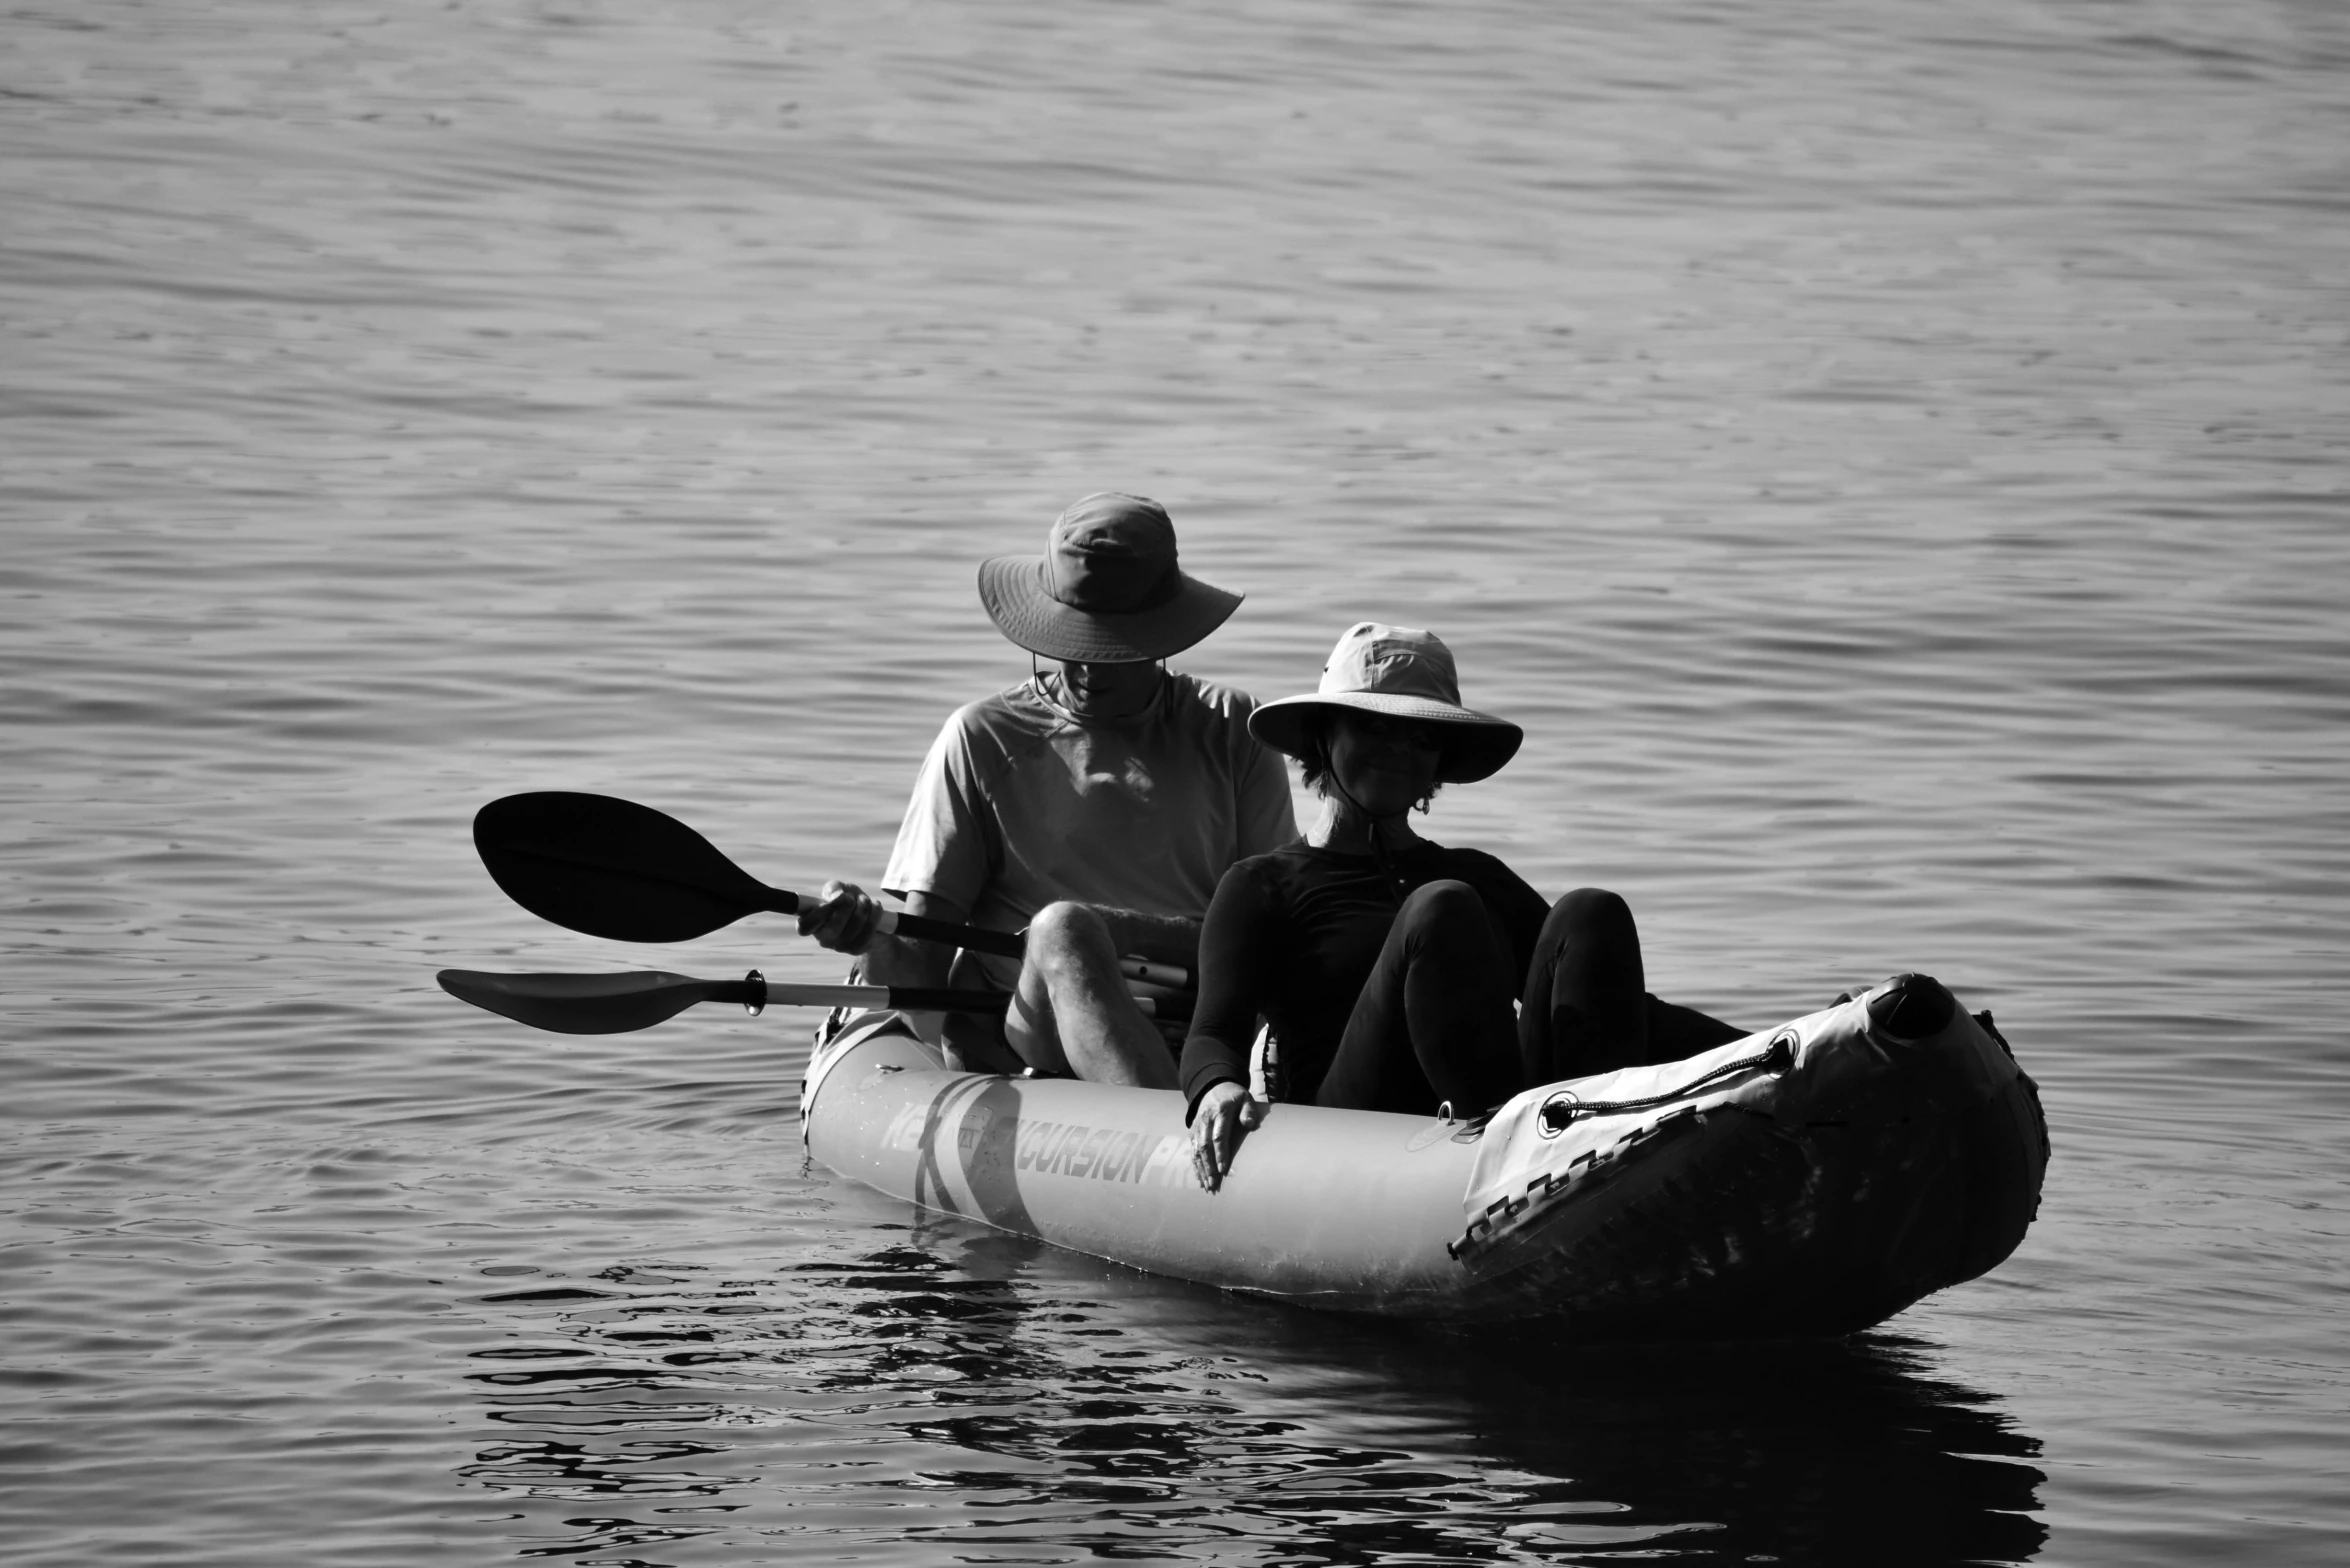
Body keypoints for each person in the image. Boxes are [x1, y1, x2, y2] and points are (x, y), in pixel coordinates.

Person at [1180, 622, 1746, 1189]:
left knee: (1590, 913)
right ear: (1324, 736)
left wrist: (1782, 1047)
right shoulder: (1262, 885)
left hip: (1521, 1134)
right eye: (1374, 727)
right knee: (1441, 910)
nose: (1399, 749)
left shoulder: (1476, 874)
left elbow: (1614, 1007)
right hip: (1348, 1134)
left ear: (1440, 760)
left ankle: (1590, 1154)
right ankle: (1498, 1153)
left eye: (1422, 737)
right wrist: (1217, 1085)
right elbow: (1213, 1031)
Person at [797, 493, 1298, 1087]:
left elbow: (1278, 937)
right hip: (1028, 1027)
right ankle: (1171, 1144)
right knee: (1063, 930)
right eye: (1071, 641)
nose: (1086, 668)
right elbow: (922, 974)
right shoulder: (981, 739)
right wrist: (866, 932)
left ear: (1164, 633)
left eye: (1113, 647)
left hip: (1199, 1018)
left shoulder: (1232, 728)